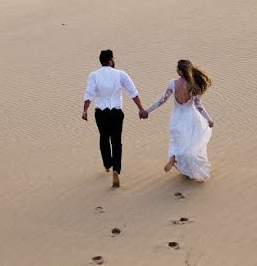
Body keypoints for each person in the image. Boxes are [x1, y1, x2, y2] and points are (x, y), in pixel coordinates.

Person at [82, 49, 148, 188]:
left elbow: (89, 94)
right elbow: (133, 92)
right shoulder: (120, 74)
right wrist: (141, 109)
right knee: (117, 141)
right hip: (116, 113)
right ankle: (116, 169)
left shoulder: (94, 75)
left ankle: (107, 164)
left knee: (104, 138)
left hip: (101, 113)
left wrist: (85, 110)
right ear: (110, 60)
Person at [144, 59, 214, 181]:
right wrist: (208, 119)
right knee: (190, 144)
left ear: (181, 71)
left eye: (177, 68)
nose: (176, 70)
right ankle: (185, 164)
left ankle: (175, 158)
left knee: (177, 141)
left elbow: (161, 100)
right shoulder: (193, 86)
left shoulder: (173, 83)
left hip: (176, 117)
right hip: (190, 117)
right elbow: (198, 106)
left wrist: (147, 111)